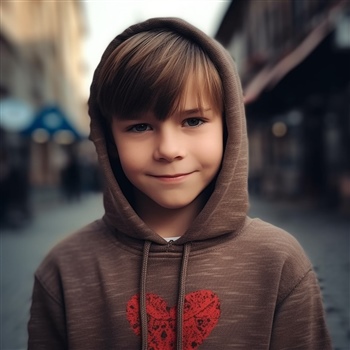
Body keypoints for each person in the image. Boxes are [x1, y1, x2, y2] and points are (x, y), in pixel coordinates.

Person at [27, 18, 331, 349]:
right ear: (109, 141)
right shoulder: (65, 270)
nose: (169, 150)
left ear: (228, 128)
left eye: (193, 120)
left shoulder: (279, 264)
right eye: (140, 127)